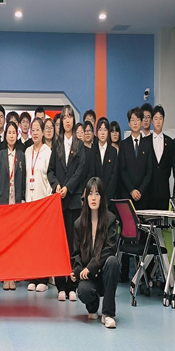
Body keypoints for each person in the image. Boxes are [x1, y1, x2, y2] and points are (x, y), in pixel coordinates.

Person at [48, 105, 86, 302]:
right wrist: (56, 185)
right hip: (59, 203)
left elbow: (81, 171)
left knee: (73, 244)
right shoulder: (56, 145)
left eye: (70, 117)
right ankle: (60, 285)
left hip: (73, 201)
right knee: (58, 243)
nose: (68, 120)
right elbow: (50, 171)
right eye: (64, 117)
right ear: (61, 122)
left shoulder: (79, 145)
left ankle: (72, 285)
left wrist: (68, 188)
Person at [72, 177, 120, 328]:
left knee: (113, 261)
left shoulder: (110, 220)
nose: (93, 198)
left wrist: (90, 267)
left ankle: (108, 314)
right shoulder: (78, 224)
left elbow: (110, 249)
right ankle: (93, 306)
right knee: (83, 291)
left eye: (97, 194)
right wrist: (77, 271)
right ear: (86, 197)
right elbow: (76, 254)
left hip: (104, 273)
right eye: (90, 194)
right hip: (90, 277)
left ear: (102, 197)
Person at [0, 121, 25, 291]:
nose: (11, 135)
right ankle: (5, 276)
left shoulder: (22, 155)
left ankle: (14, 275)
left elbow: (24, 179)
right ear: (5, 136)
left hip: (17, 202)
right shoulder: (0, 154)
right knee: (4, 240)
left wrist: (24, 198)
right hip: (4, 201)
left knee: (15, 240)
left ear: (17, 135)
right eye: (9, 133)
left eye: (14, 133)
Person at [25, 118, 52, 293]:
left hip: (43, 203)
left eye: (37, 130)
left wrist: (48, 200)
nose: (35, 133)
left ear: (43, 132)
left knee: (43, 242)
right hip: (29, 203)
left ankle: (43, 278)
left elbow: (50, 177)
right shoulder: (27, 151)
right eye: (32, 130)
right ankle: (33, 277)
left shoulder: (48, 152)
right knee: (31, 242)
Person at [118, 107, 153, 210]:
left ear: (141, 122)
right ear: (129, 123)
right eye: (132, 120)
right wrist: (132, 190)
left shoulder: (147, 144)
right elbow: (122, 170)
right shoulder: (124, 144)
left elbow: (149, 170)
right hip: (128, 194)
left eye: (137, 120)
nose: (135, 123)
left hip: (144, 196)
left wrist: (140, 191)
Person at [149, 105, 174, 210]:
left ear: (163, 120)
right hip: (149, 192)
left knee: (163, 218)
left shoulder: (170, 142)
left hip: (164, 191)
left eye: (160, 118)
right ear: (151, 121)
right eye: (155, 118)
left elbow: (171, 165)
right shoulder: (146, 141)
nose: (158, 121)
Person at [90, 118, 119, 201]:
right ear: (96, 132)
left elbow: (113, 177)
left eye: (105, 130)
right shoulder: (92, 150)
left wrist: (107, 197)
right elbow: (91, 174)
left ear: (108, 132)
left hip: (110, 197)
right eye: (100, 130)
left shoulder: (113, 151)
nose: (102, 133)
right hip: (95, 197)